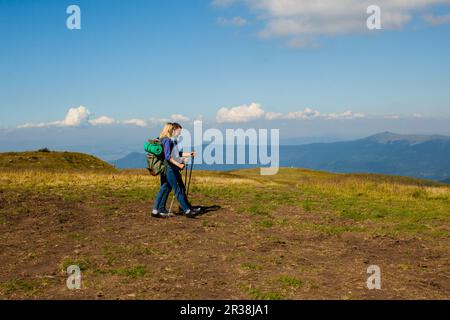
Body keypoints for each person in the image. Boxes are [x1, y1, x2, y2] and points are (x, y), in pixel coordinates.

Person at [152, 122, 201, 218]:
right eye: (179, 131)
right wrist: (179, 164)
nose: (179, 133)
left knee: (165, 188)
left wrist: (189, 154)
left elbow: (177, 154)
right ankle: (187, 210)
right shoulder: (167, 140)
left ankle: (157, 210)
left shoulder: (168, 140)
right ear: (172, 129)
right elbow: (167, 156)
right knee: (178, 189)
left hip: (169, 168)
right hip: (170, 168)